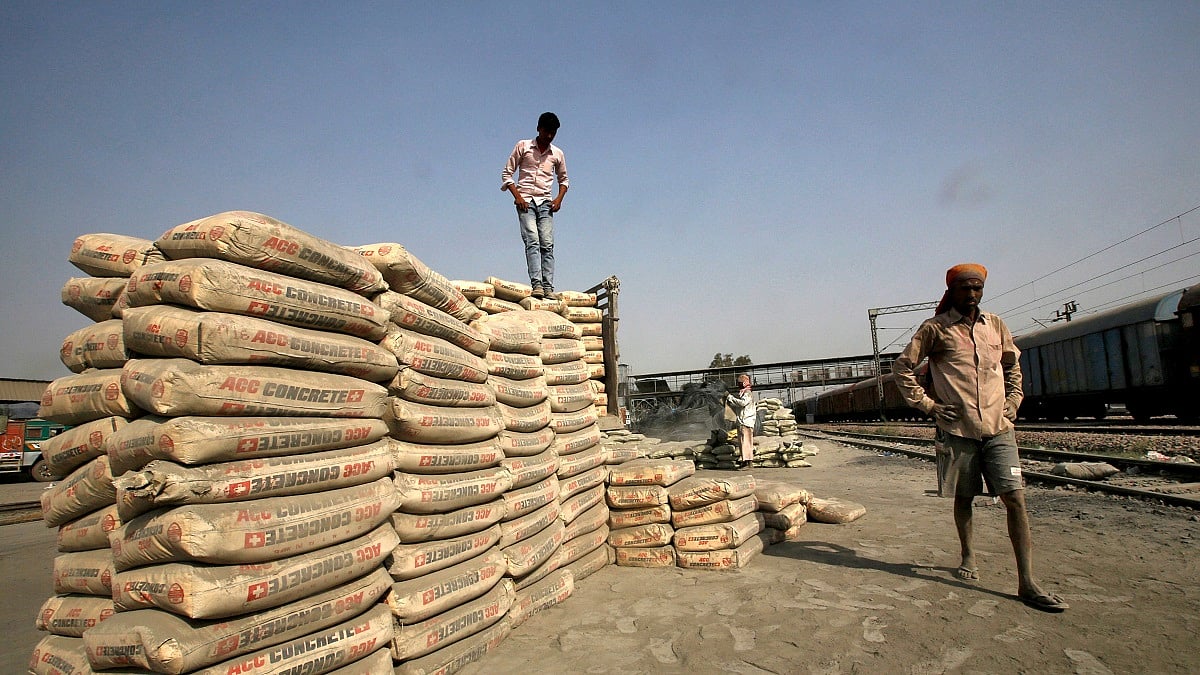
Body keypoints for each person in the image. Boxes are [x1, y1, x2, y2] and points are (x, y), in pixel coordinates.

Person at [892, 263, 1069, 613]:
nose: (972, 295)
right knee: (964, 497)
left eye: (977, 288)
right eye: (964, 289)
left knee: (1015, 499)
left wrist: (1014, 401)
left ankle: (1027, 583)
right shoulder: (935, 330)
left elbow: (1012, 366)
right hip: (958, 430)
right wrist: (928, 405)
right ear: (952, 291)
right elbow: (901, 368)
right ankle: (968, 554)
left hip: (999, 428)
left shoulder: (996, 326)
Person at [501, 112, 569, 299]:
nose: (549, 136)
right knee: (532, 241)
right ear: (539, 128)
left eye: (553, 133)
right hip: (526, 202)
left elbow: (564, 180)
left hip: (545, 202)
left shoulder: (557, 154)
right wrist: (518, 196)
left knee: (547, 244)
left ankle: (548, 288)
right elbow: (507, 174)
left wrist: (558, 199)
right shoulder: (523, 147)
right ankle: (537, 285)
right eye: (546, 131)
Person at [725, 374, 756, 468]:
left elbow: (742, 403)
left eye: (739, 383)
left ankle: (748, 462)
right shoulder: (743, 393)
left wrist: (730, 397)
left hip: (746, 421)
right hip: (742, 421)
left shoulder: (747, 393)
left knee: (746, 442)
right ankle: (745, 461)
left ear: (744, 383)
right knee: (743, 442)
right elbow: (739, 406)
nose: (738, 385)